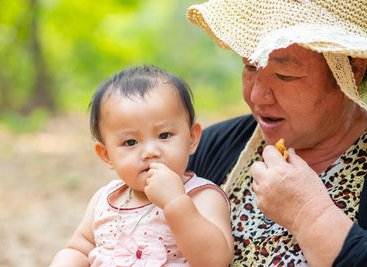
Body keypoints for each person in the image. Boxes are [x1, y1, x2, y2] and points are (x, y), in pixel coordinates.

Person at [186, 0, 367, 266]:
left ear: (351, 73)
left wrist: (308, 214)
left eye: (285, 75)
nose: (257, 95)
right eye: (249, 67)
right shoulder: (209, 147)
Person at [49, 65, 234, 267]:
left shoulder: (201, 196)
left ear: (192, 138)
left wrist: (175, 202)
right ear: (106, 155)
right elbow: (79, 248)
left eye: (164, 135)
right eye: (130, 142)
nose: (150, 152)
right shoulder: (104, 199)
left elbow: (216, 260)